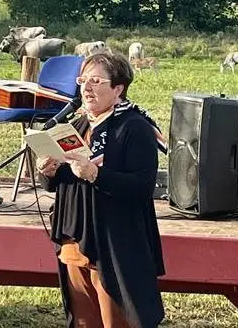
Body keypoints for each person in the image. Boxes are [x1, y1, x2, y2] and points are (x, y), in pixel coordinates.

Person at [39, 51, 167, 328]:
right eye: (83, 80)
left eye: (96, 81)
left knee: (118, 321)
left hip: (114, 245)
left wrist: (97, 175)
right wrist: (47, 172)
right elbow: (61, 181)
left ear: (118, 88)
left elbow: (143, 187)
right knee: (84, 320)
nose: (86, 87)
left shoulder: (134, 127)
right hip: (75, 239)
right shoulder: (77, 123)